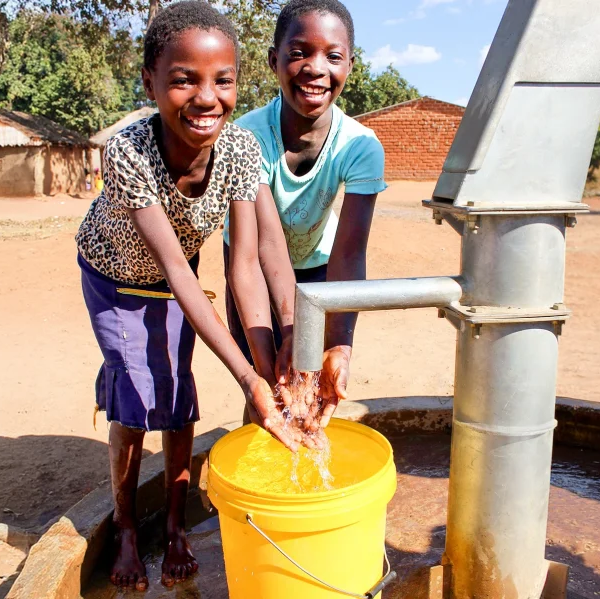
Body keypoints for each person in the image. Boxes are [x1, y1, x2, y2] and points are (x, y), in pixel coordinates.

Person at [74, 1, 298, 590]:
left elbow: (245, 265)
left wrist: (267, 360)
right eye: (183, 79)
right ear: (150, 80)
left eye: (222, 80)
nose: (206, 98)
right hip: (116, 275)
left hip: (174, 275)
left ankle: (173, 524)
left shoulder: (242, 151)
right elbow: (173, 269)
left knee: (176, 389)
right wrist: (250, 382)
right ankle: (125, 526)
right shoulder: (127, 154)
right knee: (137, 395)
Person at [224, 0, 387, 428]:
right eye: (298, 53)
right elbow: (264, 243)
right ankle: (255, 482)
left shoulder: (359, 146)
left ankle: (305, 485)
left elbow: (350, 251)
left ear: (350, 64)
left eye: (333, 56)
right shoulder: (245, 138)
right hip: (250, 268)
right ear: (273, 59)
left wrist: (340, 347)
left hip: (318, 270)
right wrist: (292, 329)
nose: (316, 69)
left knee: (312, 384)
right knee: (266, 385)